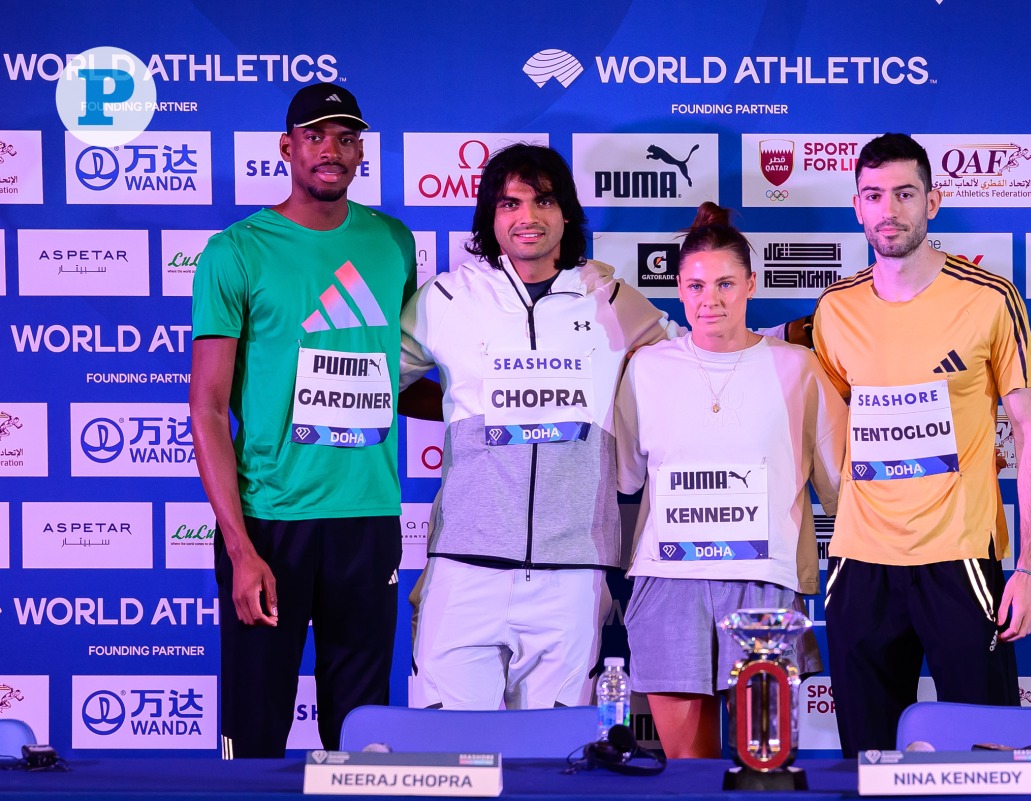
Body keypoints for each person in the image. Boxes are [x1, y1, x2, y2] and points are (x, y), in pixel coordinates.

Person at [398, 143, 682, 711]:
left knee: (554, 761)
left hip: (572, 570)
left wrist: (789, 335)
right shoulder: (449, 298)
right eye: (510, 203)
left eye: (543, 200)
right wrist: (458, 406)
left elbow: (693, 367)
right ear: (490, 216)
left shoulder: (614, 300)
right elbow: (374, 385)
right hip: (465, 563)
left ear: (567, 212)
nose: (527, 217)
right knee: (453, 755)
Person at [190, 83, 425, 757]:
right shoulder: (236, 250)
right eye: (317, 135)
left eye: (347, 137)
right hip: (271, 522)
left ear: (362, 152)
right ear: (287, 147)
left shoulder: (392, 242)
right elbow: (206, 407)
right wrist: (238, 547)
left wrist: (489, 406)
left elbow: (396, 380)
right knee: (254, 730)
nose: (333, 150)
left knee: (362, 737)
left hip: (367, 518)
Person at [812, 133, 1031, 756]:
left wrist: (1029, 566)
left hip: (961, 559)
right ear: (857, 208)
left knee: (987, 759)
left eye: (904, 193)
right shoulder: (835, 310)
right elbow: (834, 425)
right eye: (873, 195)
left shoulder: (990, 299)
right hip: (860, 565)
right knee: (865, 761)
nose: (888, 209)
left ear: (933, 202)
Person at [612, 202, 845, 758]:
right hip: (668, 580)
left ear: (750, 285)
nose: (708, 299)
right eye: (694, 285)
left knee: (762, 767)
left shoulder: (798, 367)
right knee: (688, 775)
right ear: (678, 287)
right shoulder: (647, 368)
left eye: (724, 283)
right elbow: (624, 478)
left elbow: (842, 481)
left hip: (763, 580)